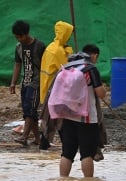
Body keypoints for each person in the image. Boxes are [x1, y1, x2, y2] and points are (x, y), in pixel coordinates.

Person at [55, 47, 106, 177]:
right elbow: (101, 94)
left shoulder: (66, 69)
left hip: (67, 115)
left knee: (67, 153)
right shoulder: (90, 69)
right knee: (87, 154)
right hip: (87, 118)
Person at [38, 21, 74, 151]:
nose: (69, 38)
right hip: (55, 89)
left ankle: (46, 143)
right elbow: (68, 68)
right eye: (68, 35)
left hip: (50, 88)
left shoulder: (52, 47)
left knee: (53, 117)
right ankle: (65, 144)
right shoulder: (57, 51)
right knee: (58, 118)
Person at [10, 20, 46, 146]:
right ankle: (37, 139)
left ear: (26, 34)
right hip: (25, 82)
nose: (19, 39)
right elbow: (18, 65)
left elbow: (46, 66)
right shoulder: (18, 47)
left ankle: (24, 136)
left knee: (30, 109)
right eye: (16, 37)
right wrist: (13, 83)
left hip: (37, 83)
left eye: (20, 36)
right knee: (29, 111)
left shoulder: (39, 46)